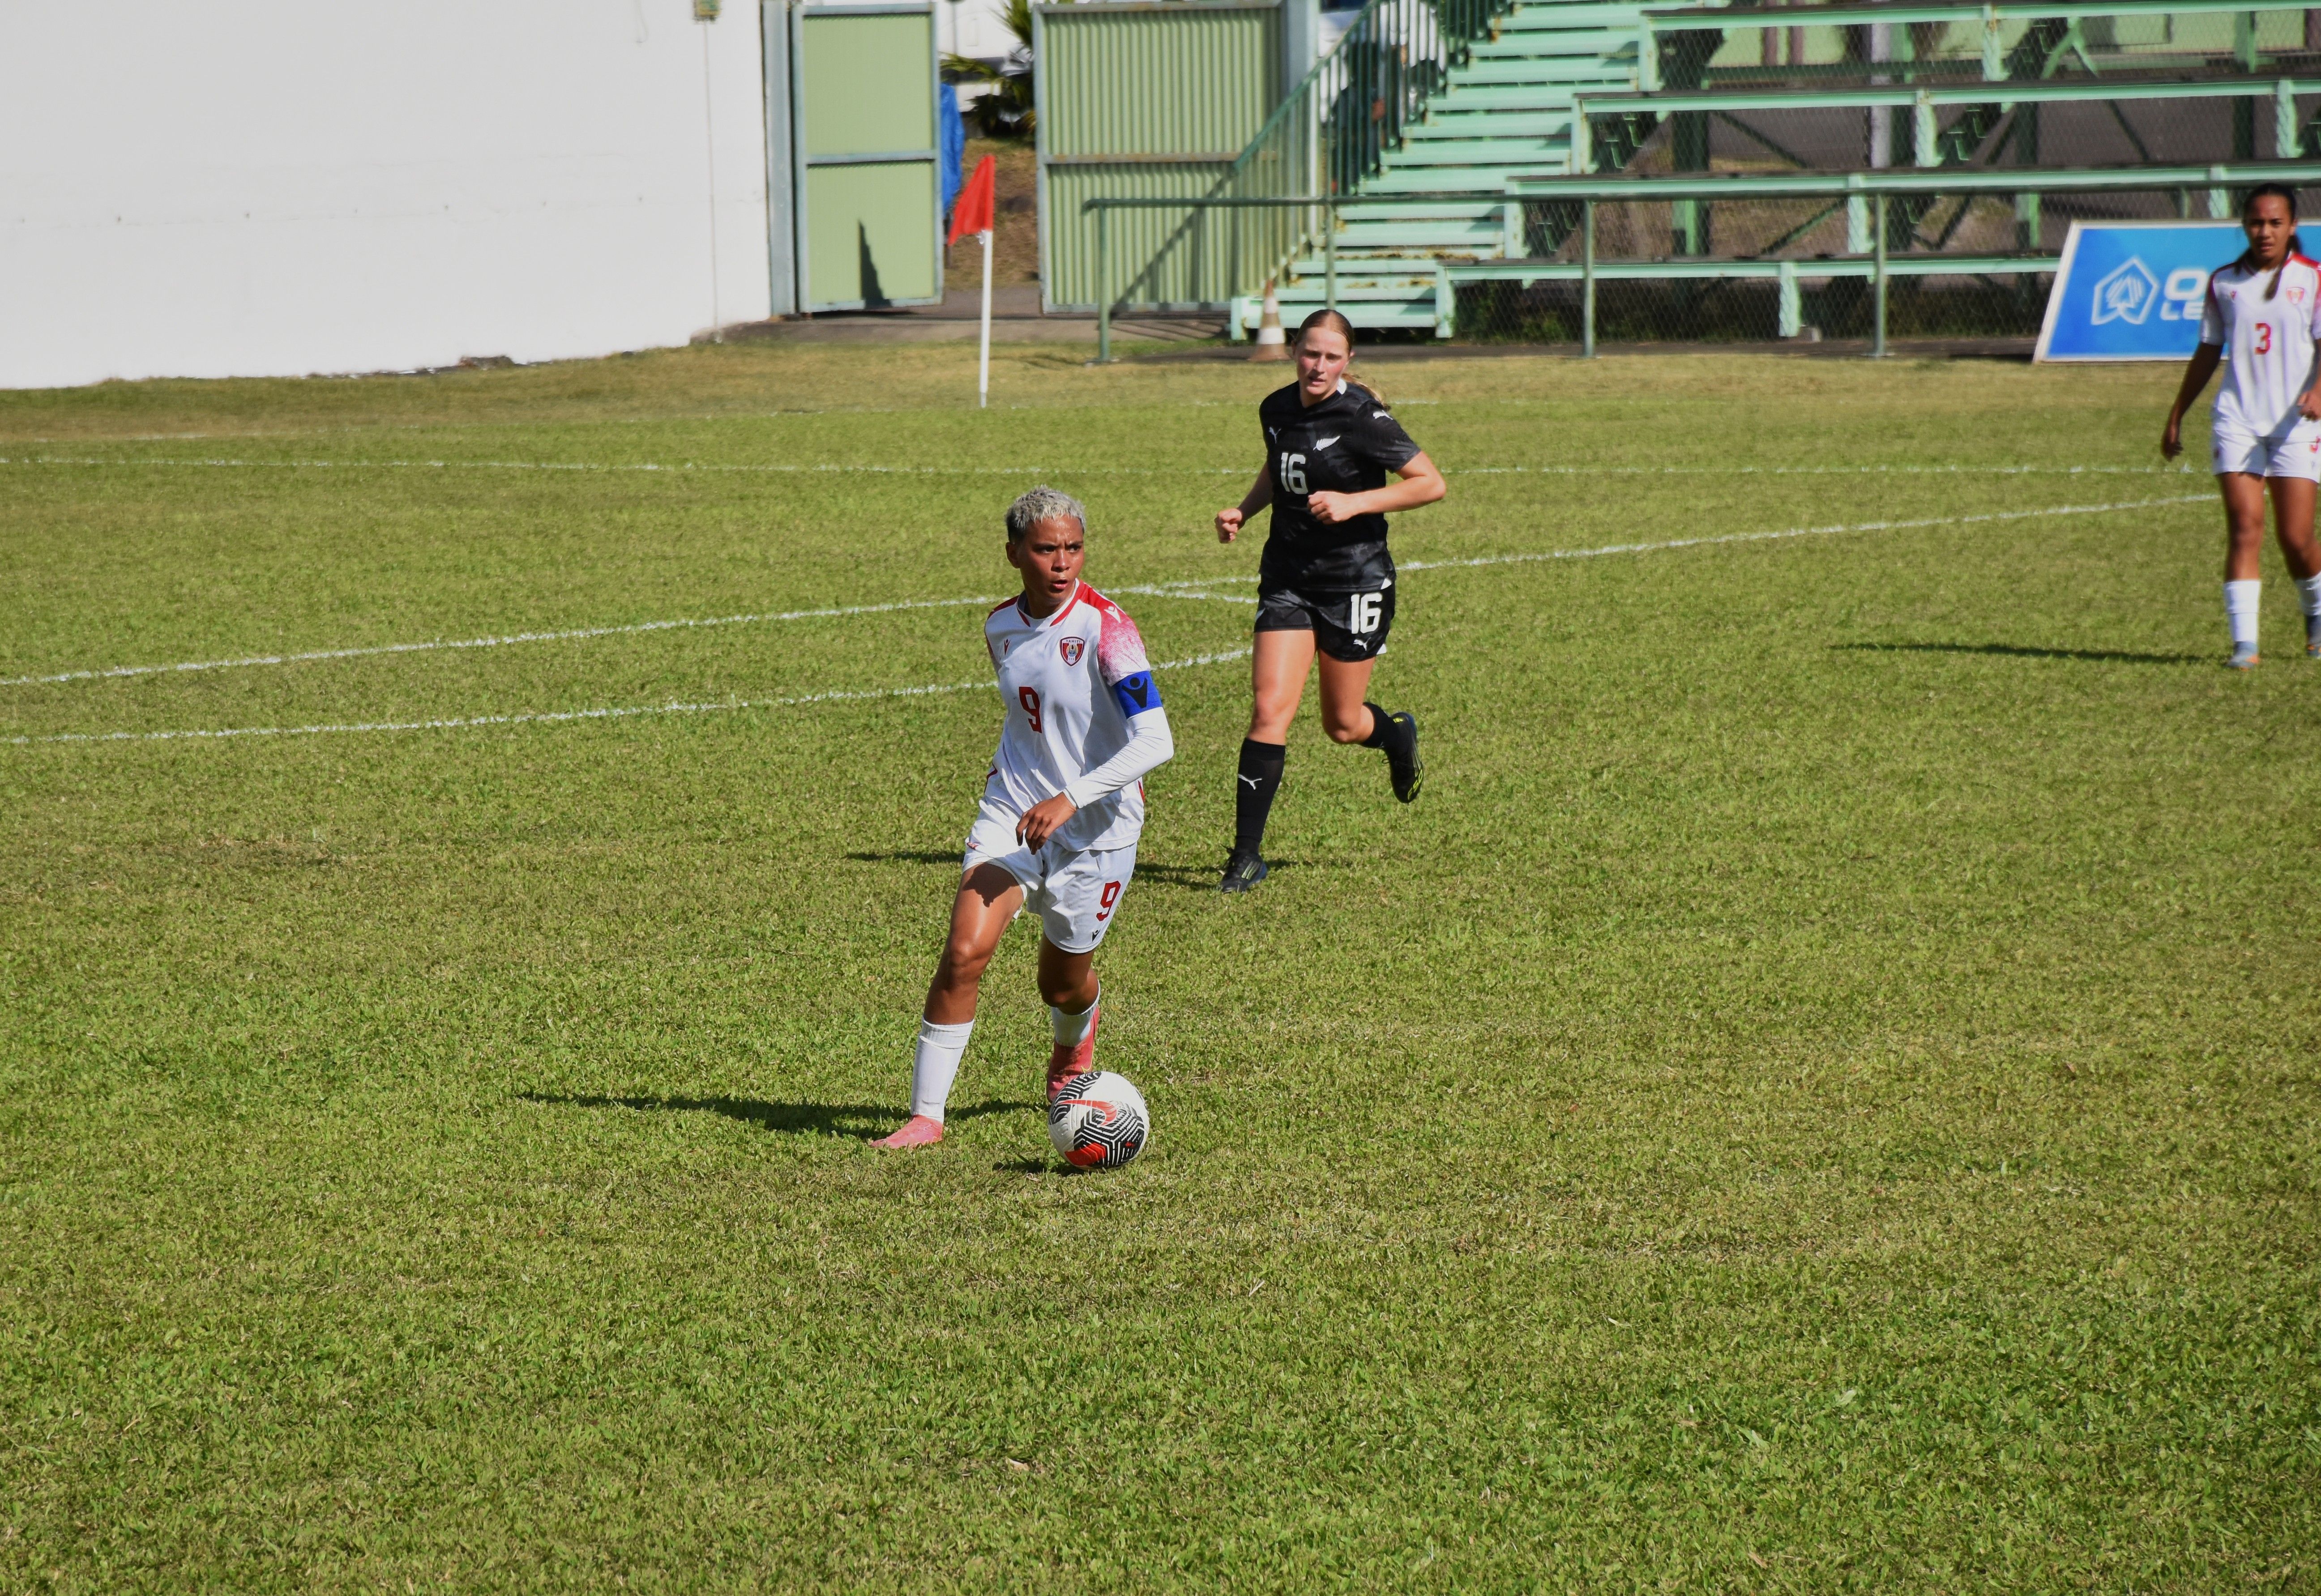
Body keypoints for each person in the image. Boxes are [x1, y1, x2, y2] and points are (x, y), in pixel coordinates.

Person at [872, 486, 1173, 1149]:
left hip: (1099, 830)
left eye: (1073, 548)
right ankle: (927, 1116)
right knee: (963, 951)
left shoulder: (1108, 627)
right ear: (1014, 554)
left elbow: (1157, 742)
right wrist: (1024, 791)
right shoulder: (999, 627)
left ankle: (1073, 1049)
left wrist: (1071, 796)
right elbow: (1026, 722)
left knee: (1061, 983)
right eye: (1045, 549)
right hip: (1012, 813)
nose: (1062, 562)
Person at [1213, 308, 1448, 892]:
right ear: (1295, 350)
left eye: (1331, 357)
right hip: (1288, 577)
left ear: (1347, 361)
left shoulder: (1363, 416)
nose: (1317, 366)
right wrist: (1245, 509)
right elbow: (1279, 466)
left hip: (1355, 581)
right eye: (1309, 353)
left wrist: (1354, 504)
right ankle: (1245, 857)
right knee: (1270, 710)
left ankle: (1397, 737)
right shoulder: (1275, 407)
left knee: (1342, 724)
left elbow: (1430, 482)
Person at [2162, 182, 2321, 667]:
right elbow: (2209, 350)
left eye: (2275, 223)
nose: (2265, 232)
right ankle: (2244, 646)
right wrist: (2176, 413)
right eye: (2256, 222)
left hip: (2296, 422)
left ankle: (2316, 616)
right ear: (2244, 226)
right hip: (2237, 419)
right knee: (2244, 526)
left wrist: (2318, 390)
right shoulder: (2223, 283)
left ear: (2292, 226)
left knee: (2294, 538)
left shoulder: (2313, 278)